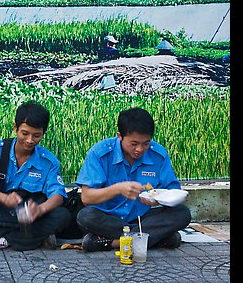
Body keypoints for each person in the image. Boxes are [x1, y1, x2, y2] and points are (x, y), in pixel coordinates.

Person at [75, 107, 191, 252]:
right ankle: (156, 238)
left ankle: (113, 242)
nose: (140, 149)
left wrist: (158, 199)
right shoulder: (100, 153)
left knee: (182, 213)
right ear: (120, 136)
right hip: (108, 217)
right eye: (134, 143)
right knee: (85, 216)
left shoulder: (158, 154)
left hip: (142, 217)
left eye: (146, 143)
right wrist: (117, 189)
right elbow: (86, 198)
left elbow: (173, 191)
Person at [0, 101, 71, 252]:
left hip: (31, 217)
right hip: (2, 211)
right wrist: (5, 199)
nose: (30, 140)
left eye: (36, 135)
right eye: (25, 133)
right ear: (15, 128)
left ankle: (1, 241)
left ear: (44, 133)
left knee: (63, 216)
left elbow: (57, 195)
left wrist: (40, 210)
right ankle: (37, 239)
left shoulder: (48, 161)